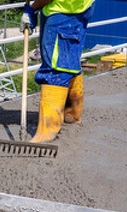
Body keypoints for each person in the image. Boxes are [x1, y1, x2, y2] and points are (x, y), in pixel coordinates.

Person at [20, 0, 95, 143]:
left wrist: (32, 8)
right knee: (68, 59)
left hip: (64, 9)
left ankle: (47, 130)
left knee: (56, 67)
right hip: (78, 8)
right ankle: (72, 112)